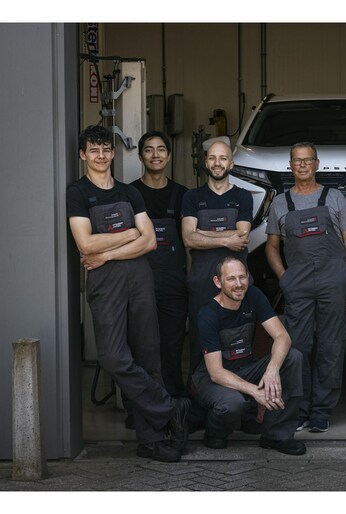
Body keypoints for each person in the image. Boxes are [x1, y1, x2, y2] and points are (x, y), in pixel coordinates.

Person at [66, 125, 189, 463]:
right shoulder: (78, 192)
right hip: (106, 285)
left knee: (149, 357)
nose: (101, 155)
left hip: (139, 277)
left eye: (106, 149)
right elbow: (85, 243)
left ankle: (152, 440)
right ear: (83, 154)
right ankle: (169, 408)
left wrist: (106, 254)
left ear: (113, 153)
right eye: (94, 150)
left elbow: (149, 242)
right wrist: (130, 232)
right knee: (113, 357)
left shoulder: (129, 192)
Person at [265, 142, 346, 433]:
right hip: (298, 283)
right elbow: (271, 247)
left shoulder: (334, 198)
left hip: (333, 280)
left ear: (317, 164)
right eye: (297, 161)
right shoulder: (280, 203)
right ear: (291, 165)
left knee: (332, 346)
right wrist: (284, 276)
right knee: (297, 347)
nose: (303, 165)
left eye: (308, 160)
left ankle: (321, 411)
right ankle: (299, 409)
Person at [190, 256, 306, 455]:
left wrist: (272, 370)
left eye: (242, 277)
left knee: (292, 357)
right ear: (218, 282)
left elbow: (282, 337)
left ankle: (276, 435)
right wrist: (256, 392)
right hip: (213, 377)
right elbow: (216, 372)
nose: (238, 284)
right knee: (232, 404)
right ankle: (215, 431)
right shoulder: (208, 314)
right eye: (231, 279)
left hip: (247, 368)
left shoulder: (254, 295)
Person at [181, 140, 253, 377]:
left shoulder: (243, 196)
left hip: (235, 283)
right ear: (205, 162)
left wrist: (202, 233)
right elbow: (188, 238)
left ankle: (237, 393)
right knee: (199, 343)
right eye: (212, 158)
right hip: (201, 283)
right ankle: (198, 393)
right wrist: (226, 239)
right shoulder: (192, 197)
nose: (217, 163)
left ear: (231, 163)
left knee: (236, 342)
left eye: (223, 158)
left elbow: (242, 236)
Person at [130, 131, 189, 398]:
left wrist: (188, 277)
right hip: (138, 282)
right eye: (149, 150)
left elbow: (188, 244)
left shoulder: (182, 195)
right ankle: (142, 405)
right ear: (140, 155)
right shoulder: (129, 194)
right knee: (141, 345)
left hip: (173, 283)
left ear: (169, 155)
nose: (155, 155)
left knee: (172, 344)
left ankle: (174, 402)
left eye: (161, 149)